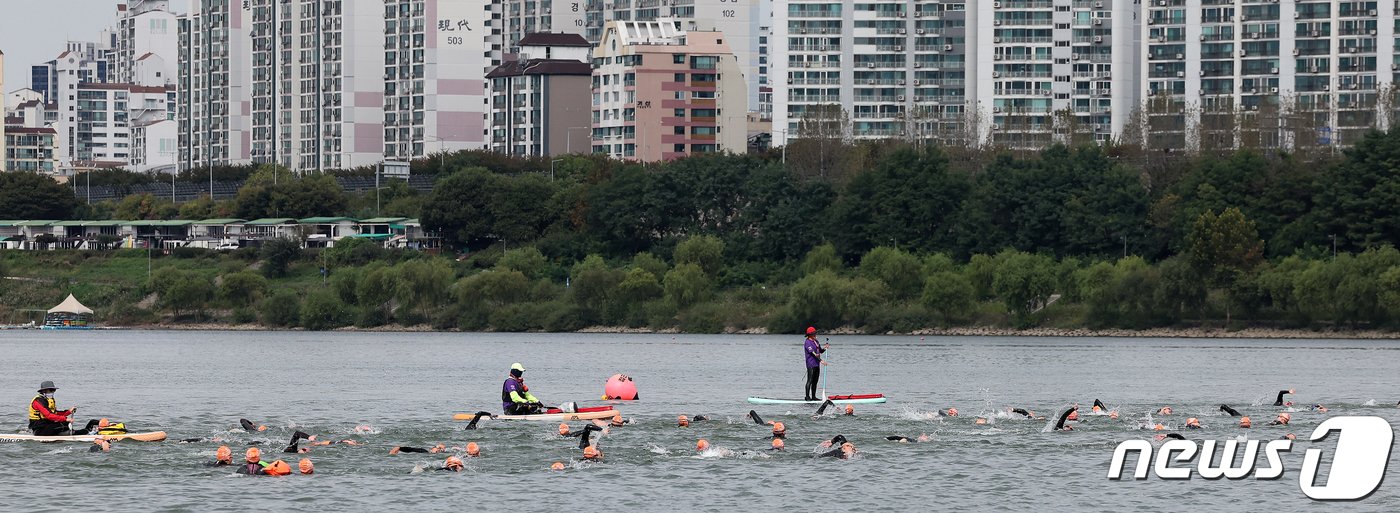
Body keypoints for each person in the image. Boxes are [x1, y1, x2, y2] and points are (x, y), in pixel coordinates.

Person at [28, 381, 98, 436]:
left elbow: (55, 413)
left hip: (45, 424)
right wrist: (66, 419)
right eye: (50, 390)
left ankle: (85, 431)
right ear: (43, 391)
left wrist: (68, 412)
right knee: (63, 424)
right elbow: (48, 415)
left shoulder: (48, 399)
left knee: (64, 424)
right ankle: (86, 431)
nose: (52, 392)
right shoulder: (38, 401)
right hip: (39, 429)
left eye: (53, 390)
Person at [802, 327, 829, 401]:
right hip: (811, 364)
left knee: (815, 381)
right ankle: (807, 397)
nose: (815, 334)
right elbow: (814, 354)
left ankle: (813, 397)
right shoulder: (807, 342)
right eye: (814, 333)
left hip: (817, 364)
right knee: (810, 380)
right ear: (809, 335)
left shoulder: (816, 341)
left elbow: (820, 351)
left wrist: (825, 348)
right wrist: (821, 361)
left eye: (815, 333)